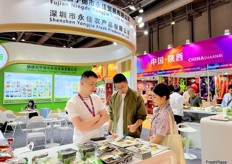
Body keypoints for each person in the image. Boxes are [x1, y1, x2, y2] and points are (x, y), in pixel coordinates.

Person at [66, 70, 109, 143]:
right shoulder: (72, 103)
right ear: (82, 83)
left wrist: (89, 127)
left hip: (99, 139)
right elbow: (80, 126)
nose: (94, 87)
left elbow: (106, 117)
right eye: (91, 84)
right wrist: (97, 117)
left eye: (95, 84)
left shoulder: (96, 98)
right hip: (82, 142)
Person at [108, 73, 147, 138]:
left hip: (131, 134)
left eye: (123, 87)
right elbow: (111, 116)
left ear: (127, 82)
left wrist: (134, 126)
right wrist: (108, 131)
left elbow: (142, 116)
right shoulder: (113, 97)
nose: (121, 90)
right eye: (118, 88)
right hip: (116, 134)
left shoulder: (136, 97)